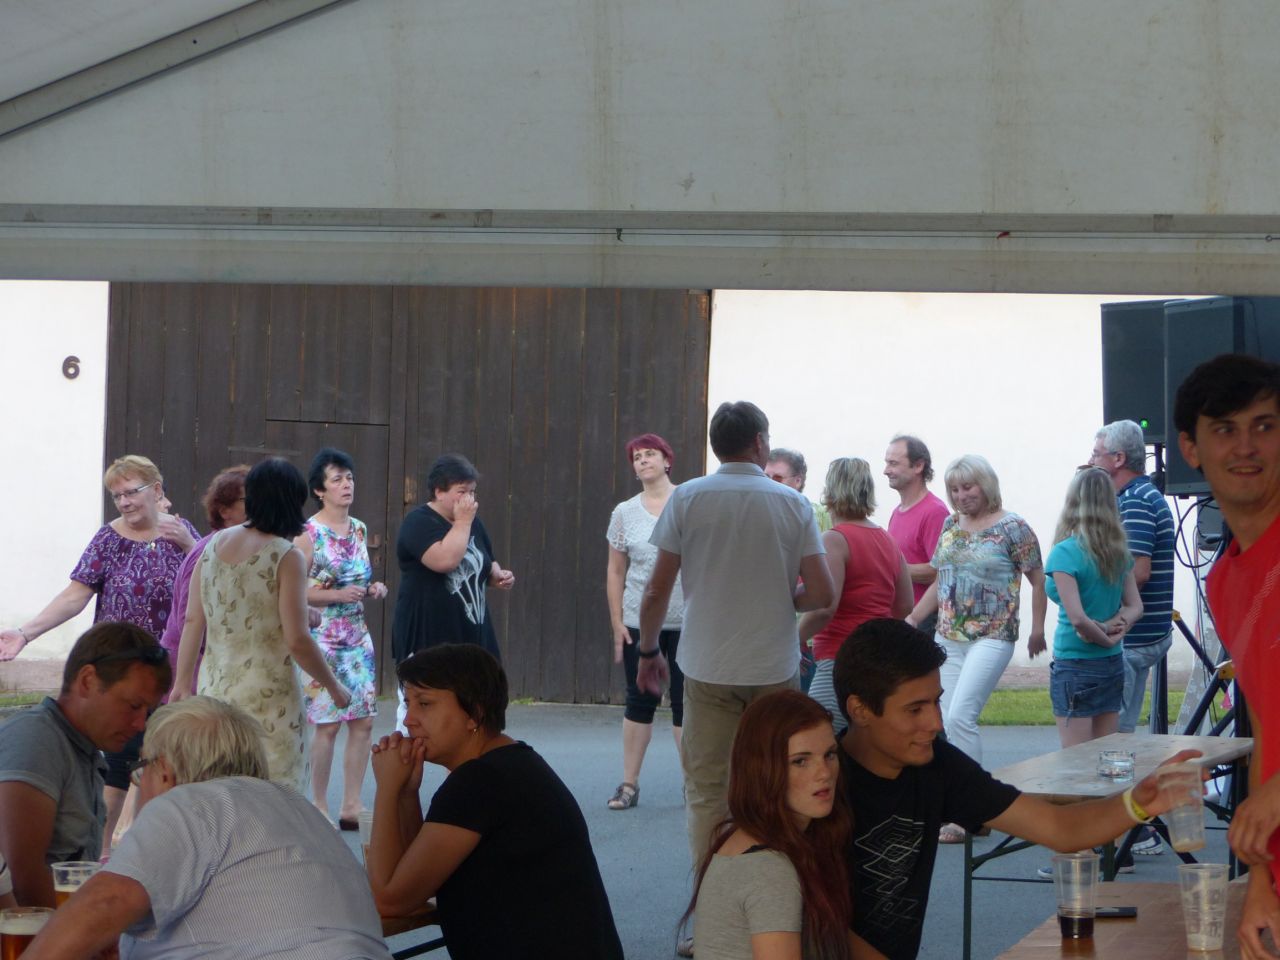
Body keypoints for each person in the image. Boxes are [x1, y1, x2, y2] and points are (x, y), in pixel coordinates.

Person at [834, 617, 1201, 960]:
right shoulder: (824, 783)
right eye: (915, 709)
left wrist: (1138, 802)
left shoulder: (936, 766)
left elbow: (1060, 828)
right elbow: (816, 921)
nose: (935, 722)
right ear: (860, 710)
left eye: (936, 701)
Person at [637, 401, 834, 956]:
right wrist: (782, 595)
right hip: (773, 666)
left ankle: (714, 923)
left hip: (707, 665)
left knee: (707, 793)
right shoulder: (792, 503)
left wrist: (649, 649)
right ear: (760, 443)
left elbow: (656, 589)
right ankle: (786, 916)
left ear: (716, 445)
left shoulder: (686, 498)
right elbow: (822, 593)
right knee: (785, 786)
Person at [20, 696, 391, 960]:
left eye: (141, 770)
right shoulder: (299, 808)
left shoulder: (187, 802)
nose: (140, 783)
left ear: (164, 772)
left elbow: (105, 902)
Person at [366, 643, 623, 960]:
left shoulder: (478, 783)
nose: (409, 720)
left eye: (425, 704)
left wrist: (387, 789)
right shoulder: (510, 763)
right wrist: (406, 792)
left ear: (474, 713)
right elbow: (419, 881)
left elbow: (390, 900)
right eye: (408, 704)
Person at [0, 454, 197, 855]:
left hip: (172, 672)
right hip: (120, 674)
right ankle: (99, 856)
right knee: (117, 766)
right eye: (117, 495)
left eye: (131, 492)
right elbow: (76, 595)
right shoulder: (108, 539)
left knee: (165, 764)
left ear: (157, 490)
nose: (124, 502)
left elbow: (210, 584)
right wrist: (24, 633)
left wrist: (191, 545)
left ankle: (148, 854)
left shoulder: (181, 532)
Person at [1173, 354, 1280, 960]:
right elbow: (1265, 722)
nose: (1246, 447)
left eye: (1264, 426)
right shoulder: (1223, 580)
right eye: (1225, 429)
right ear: (1191, 447)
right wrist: (1261, 878)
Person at [171, 458, 350, 792]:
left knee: (221, 788)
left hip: (216, 692)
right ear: (292, 502)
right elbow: (297, 639)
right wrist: (334, 687)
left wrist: (182, 683)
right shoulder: (286, 555)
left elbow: (193, 618)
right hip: (269, 701)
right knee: (274, 793)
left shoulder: (212, 545)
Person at [906, 454, 1046, 845]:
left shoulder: (1013, 527)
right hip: (948, 637)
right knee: (944, 720)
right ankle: (958, 804)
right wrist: (913, 618)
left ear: (986, 485)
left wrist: (1037, 629)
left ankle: (972, 811)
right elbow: (942, 579)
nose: (961, 495)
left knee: (961, 715)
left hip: (993, 634)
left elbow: (1038, 580)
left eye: (968, 487)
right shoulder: (951, 525)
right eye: (954, 489)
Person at [0, 622, 169, 907]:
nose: (140, 724)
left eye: (148, 711)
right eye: (133, 706)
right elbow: (23, 884)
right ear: (88, 680)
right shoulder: (36, 739)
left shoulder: (84, 749)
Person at [683, 690, 851, 960]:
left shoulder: (752, 837)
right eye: (800, 761)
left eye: (830, 754)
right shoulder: (769, 869)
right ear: (761, 769)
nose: (824, 773)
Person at [297, 447, 387, 828]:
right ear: (319, 490)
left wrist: (372, 588)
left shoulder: (359, 529)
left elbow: (358, 579)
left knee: (363, 720)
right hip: (321, 638)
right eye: (337, 479)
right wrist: (335, 595)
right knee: (328, 724)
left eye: (349, 478)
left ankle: (352, 803)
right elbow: (294, 590)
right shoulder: (308, 534)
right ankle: (318, 804)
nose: (346, 485)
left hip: (357, 637)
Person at [391, 453, 515, 728]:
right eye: (461, 491)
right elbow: (445, 560)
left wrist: (496, 574)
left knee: (474, 712)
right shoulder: (419, 522)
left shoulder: (472, 522)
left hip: (471, 636)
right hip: (428, 638)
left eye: (472, 491)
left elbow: (484, 559)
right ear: (439, 491)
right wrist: (462, 523)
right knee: (421, 715)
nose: (469, 499)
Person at [605, 433, 685, 811]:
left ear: (667, 460)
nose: (643, 461)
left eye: (650, 454)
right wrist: (617, 621)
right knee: (639, 701)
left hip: (687, 622)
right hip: (639, 621)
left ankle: (696, 786)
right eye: (637, 457)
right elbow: (615, 570)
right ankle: (628, 785)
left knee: (686, 704)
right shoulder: (624, 512)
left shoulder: (688, 502)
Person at [800, 457, 912, 720]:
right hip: (878, 657)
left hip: (839, 657)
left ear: (830, 491)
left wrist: (793, 639)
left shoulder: (835, 539)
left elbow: (825, 609)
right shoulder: (887, 539)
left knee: (823, 730)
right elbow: (905, 605)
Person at [1088, 420, 1176, 734]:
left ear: (1118, 458)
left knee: (1108, 735)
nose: (1091, 461)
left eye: (1096, 454)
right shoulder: (1139, 495)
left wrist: (1102, 616)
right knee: (1119, 732)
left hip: (1132, 636)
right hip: (1140, 633)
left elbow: (1138, 573)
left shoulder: (1136, 500)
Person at [1045, 467, 1143, 747]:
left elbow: (1077, 619)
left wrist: (1103, 635)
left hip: (1075, 662)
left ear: (1073, 501)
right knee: (1105, 753)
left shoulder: (1064, 552)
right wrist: (1114, 630)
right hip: (1112, 662)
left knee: (1076, 759)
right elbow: (1135, 606)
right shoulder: (1118, 550)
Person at [158, 465, 250, 694]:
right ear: (225, 511)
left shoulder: (242, 549)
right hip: (193, 675)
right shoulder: (209, 552)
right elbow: (188, 621)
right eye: (249, 499)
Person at [767, 447, 831, 694]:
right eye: (765, 477)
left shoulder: (817, 515)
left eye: (777, 478)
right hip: (771, 634)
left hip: (808, 635)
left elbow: (826, 581)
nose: (769, 483)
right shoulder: (760, 513)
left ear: (798, 481)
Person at [884, 435, 951, 637]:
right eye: (887, 463)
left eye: (893, 463)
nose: (886, 470)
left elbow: (939, 571)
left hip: (923, 621)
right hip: (902, 619)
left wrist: (889, 568)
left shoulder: (935, 512)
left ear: (918, 466)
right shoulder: (897, 512)